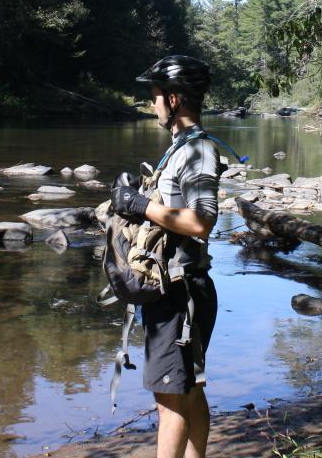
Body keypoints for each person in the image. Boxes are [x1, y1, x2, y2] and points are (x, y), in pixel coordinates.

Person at [111, 55, 221, 458]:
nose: (152, 104)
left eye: (155, 96)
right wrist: (132, 200)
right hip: (176, 292)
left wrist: (139, 205)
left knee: (170, 403)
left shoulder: (199, 151)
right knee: (188, 391)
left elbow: (200, 222)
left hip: (180, 297)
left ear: (174, 99)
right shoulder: (182, 148)